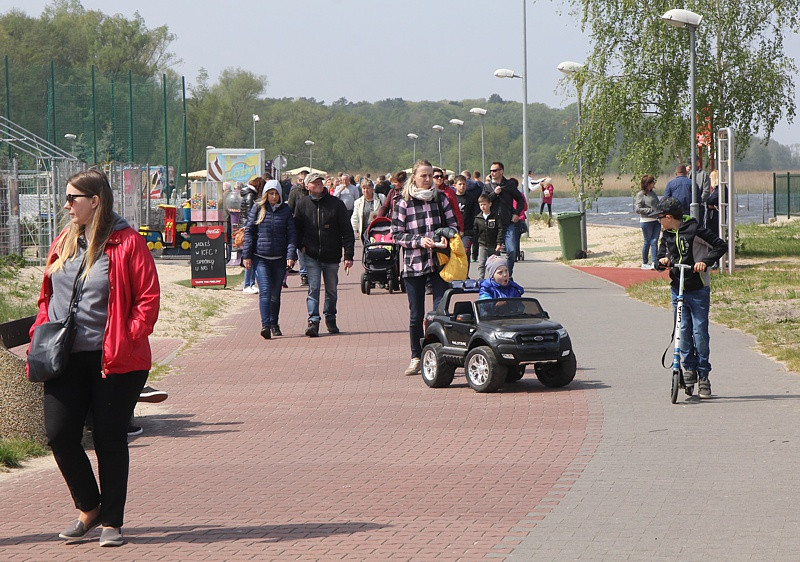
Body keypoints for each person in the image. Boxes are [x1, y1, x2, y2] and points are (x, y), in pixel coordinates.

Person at [28, 169, 160, 547]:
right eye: (66, 198)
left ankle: (112, 522)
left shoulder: (126, 242)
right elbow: (48, 295)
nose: (66, 205)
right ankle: (90, 506)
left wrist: (127, 336)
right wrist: (41, 330)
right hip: (65, 357)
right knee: (59, 435)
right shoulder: (64, 240)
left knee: (109, 438)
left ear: (95, 201)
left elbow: (148, 299)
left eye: (73, 198)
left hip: (115, 359)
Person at [652, 196, 728, 399]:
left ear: (668, 217)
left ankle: (704, 375)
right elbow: (658, 260)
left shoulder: (694, 230)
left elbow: (720, 246)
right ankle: (689, 369)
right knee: (682, 330)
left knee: (699, 332)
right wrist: (663, 261)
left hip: (698, 288)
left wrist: (705, 261)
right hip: (678, 288)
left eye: (660, 217)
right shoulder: (666, 234)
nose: (658, 221)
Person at [391, 159, 459, 376]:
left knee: (440, 310)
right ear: (414, 177)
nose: (429, 180)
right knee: (416, 313)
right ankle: (416, 356)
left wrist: (446, 237)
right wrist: (419, 241)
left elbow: (453, 225)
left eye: (431, 175)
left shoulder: (441, 199)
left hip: (439, 262)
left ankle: (440, 355)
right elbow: (396, 234)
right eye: (424, 176)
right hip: (414, 264)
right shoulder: (403, 202)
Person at [293, 172, 355, 337]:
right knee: (313, 288)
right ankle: (313, 321)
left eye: (320, 181)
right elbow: (296, 228)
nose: (319, 184)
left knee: (331, 290)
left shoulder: (336, 204)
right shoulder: (302, 204)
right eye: (315, 182)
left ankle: (330, 317)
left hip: (332, 254)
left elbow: (347, 231)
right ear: (307, 186)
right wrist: (300, 246)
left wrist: (348, 254)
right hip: (311, 254)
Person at [242, 180, 297, 339]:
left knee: (275, 294)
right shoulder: (258, 208)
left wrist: (290, 256)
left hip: (279, 258)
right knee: (265, 292)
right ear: (266, 194)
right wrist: (247, 255)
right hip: (261, 258)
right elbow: (249, 232)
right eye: (270, 193)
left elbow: (292, 235)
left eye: (276, 193)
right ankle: (265, 324)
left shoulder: (285, 210)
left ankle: (274, 323)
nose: (273, 197)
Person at [486, 162, 526, 277]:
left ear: (501, 171)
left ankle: (507, 275)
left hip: (508, 222)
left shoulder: (509, 185)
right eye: (491, 171)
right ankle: (494, 277)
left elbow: (521, 200)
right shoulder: (488, 186)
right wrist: (494, 193)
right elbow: (483, 201)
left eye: (495, 170)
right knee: (493, 253)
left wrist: (517, 214)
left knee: (512, 251)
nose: (492, 173)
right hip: (493, 224)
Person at [240, 176, 265, 294]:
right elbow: (251, 215)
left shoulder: (247, 194)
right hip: (249, 229)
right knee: (249, 257)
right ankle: (247, 284)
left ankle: (250, 283)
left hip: (247, 227)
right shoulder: (251, 196)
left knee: (250, 257)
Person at [287, 170, 310, 286]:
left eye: (305, 180)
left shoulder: (313, 191)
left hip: (312, 225)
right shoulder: (295, 192)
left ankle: (311, 273)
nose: (303, 182)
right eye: (301, 180)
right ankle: (304, 274)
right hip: (299, 224)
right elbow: (290, 208)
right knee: (301, 250)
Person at [473, 194, 503, 279]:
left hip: (493, 245)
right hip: (482, 244)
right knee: (481, 264)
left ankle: (494, 279)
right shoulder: (478, 218)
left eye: (485, 204)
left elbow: (500, 229)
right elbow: (475, 232)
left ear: (490, 204)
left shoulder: (495, 217)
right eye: (481, 205)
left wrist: (499, 243)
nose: (483, 206)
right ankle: (481, 280)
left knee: (495, 264)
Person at [634, 174, 660, 270]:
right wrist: (650, 210)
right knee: (647, 241)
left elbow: (657, 204)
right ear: (647, 183)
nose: (654, 184)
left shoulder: (653, 193)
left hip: (656, 220)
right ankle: (645, 262)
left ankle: (654, 262)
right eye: (652, 182)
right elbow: (637, 209)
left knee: (655, 241)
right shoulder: (641, 194)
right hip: (646, 221)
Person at [453, 174, 477, 262]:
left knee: (465, 251)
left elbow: (475, 215)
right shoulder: (451, 198)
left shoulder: (471, 198)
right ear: (454, 185)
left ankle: (465, 274)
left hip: (467, 231)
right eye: (460, 184)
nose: (462, 186)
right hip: (454, 230)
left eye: (464, 184)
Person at [432, 167, 464, 233]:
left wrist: (461, 228)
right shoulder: (427, 192)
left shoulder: (449, 191)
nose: (439, 178)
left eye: (441, 176)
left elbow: (456, 210)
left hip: (447, 224)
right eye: (436, 176)